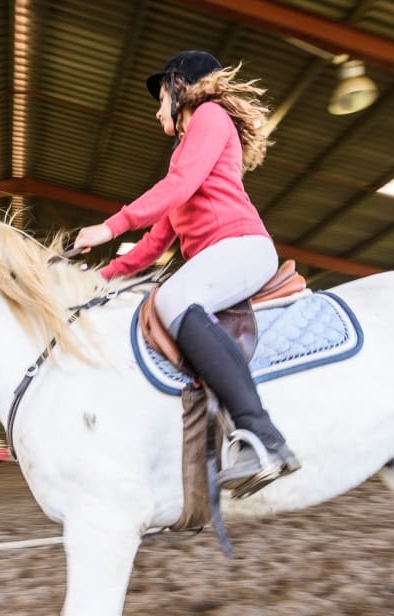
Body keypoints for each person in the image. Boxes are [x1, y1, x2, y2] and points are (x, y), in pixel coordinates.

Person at [71, 50, 300, 495]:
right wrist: (101, 278)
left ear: (181, 89)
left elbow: (176, 187)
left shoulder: (210, 117)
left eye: (161, 98)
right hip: (221, 258)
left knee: (174, 300)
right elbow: (156, 241)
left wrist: (110, 225)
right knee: (163, 298)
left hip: (242, 248)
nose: (158, 111)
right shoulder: (185, 152)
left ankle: (264, 438)